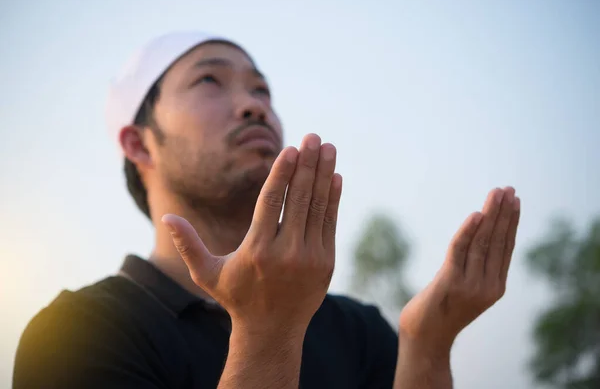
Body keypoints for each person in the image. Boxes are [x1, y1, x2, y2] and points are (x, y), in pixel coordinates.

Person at [13, 31, 521, 389]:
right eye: (209, 81)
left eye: (261, 89)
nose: (253, 105)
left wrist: (427, 343)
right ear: (140, 144)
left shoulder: (357, 330)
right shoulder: (78, 332)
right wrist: (267, 331)